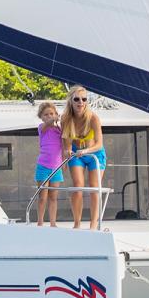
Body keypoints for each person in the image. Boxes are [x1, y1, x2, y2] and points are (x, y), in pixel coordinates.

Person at [60, 85, 106, 230]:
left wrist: (86, 150)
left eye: (84, 99)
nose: (81, 102)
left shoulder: (93, 118)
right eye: (77, 99)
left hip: (94, 154)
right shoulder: (66, 118)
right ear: (71, 102)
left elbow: (99, 144)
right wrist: (66, 154)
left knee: (94, 187)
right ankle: (77, 223)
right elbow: (66, 144)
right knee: (78, 185)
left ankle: (93, 224)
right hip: (76, 154)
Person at [34, 101, 65, 227]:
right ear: (41, 117)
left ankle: (53, 223)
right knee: (43, 196)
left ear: (56, 114)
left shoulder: (59, 129)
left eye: (52, 113)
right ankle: (40, 222)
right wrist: (54, 118)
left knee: (53, 197)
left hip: (56, 167)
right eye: (46, 114)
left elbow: (64, 145)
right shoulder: (42, 127)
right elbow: (48, 123)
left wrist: (64, 161)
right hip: (43, 166)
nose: (49, 116)